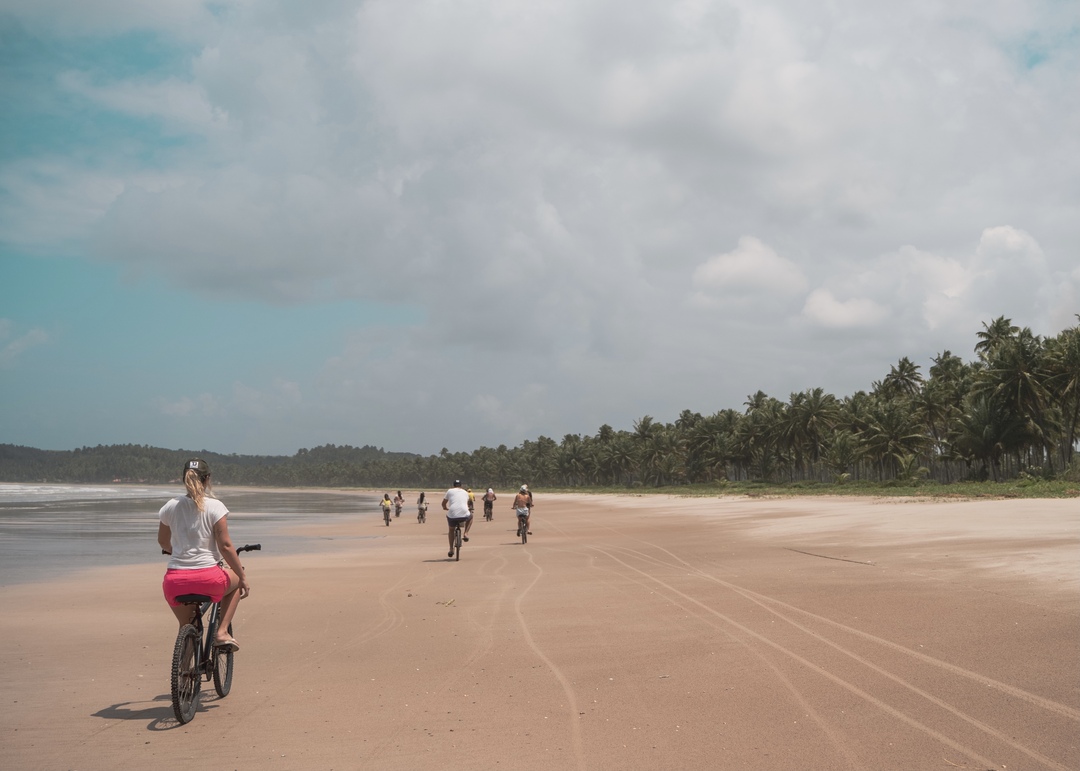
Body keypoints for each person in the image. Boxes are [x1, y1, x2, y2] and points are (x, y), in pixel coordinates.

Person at [157, 458, 250, 651]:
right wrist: (242, 575)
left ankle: (184, 673)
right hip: (209, 578)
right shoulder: (215, 506)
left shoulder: (170, 507)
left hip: (175, 581)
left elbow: (163, 542)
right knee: (236, 583)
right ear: (207, 479)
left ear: (184, 478)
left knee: (187, 625)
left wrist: (176, 551)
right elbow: (224, 546)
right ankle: (222, 632)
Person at [442, 479, 473, 557]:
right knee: (471, 517)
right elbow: (467, 502)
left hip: (452, 514)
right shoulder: (465, 492)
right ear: (461, 486)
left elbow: (443, 503)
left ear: (453, 485)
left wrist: (445, 508)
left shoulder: (449, 491)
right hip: (464, 512)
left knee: (451, 530)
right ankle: (466, 533)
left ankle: (451, 549)